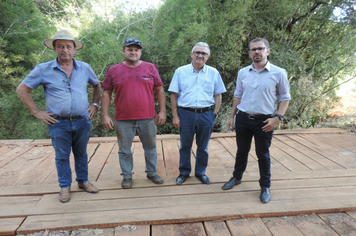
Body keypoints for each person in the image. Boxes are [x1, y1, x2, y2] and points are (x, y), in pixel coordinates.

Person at [17, 29, 101, 203]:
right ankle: (65, 187)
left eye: (68, 46)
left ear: (74, 49)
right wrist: (37, 112)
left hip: (82, 120)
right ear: (54, 48)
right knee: (62, 155)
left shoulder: (84, 68)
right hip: (57, 122)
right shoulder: (43, 69)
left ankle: (83, 181)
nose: (65, 50)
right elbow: (22, 89)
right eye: (60, 46)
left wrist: (95, 104)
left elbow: (96, 85)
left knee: (81, 153)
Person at [222, 38, 291, 203]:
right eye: (253, 49)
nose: (257, 52)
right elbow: (237, 95)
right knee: (241, 151)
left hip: (265, 121)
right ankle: (236, 177)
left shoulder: (279, 73)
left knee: (263, 154)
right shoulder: (243, 72)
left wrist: (277, 118)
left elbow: (285, 98)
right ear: (249, 53)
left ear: (267, 51)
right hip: (243, 118)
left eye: (260, 49)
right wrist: (232, 116)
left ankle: (265, 186)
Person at [101, 38, 166, 189]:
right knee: (124, 150)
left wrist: (162, 111)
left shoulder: (150, 68)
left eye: (136, 50)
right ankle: (127, 176)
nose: (133, 52)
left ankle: (151, 172)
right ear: (123, 51)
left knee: (150, 147)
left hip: (148, 117)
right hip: (123, 119)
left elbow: (159, 89)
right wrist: (104, 115)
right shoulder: (113, 70)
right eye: (130, 49)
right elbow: (106, 93)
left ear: (140, 52)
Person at [168, 42, 226, 185]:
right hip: (186, 114)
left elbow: (218, 95)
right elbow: (174, 94)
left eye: (203, 53)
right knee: (185, 146)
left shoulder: (214, 72)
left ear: (208, 56)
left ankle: (200, 172)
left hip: (206, 114)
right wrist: (175, 115)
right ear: (192, 54)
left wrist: (215, 114)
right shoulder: (180, 72)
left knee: (203, 147)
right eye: (197, 52)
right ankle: (184, 172)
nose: (200, 55)